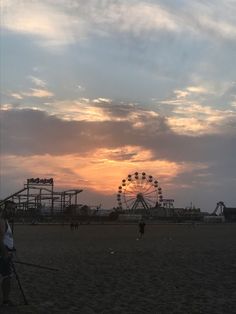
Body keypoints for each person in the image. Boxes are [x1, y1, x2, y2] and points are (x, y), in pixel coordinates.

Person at [0, 201, 16, 306]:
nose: (11, 211)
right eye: (9, 208)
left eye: (13, 209)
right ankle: (6, 300)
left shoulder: (5, 220)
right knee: (7, 277)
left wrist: (11, 248)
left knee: (6, 276)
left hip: (6, 252)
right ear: (3, 209)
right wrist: (5, 253)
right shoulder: (1, 221)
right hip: (3, 254)